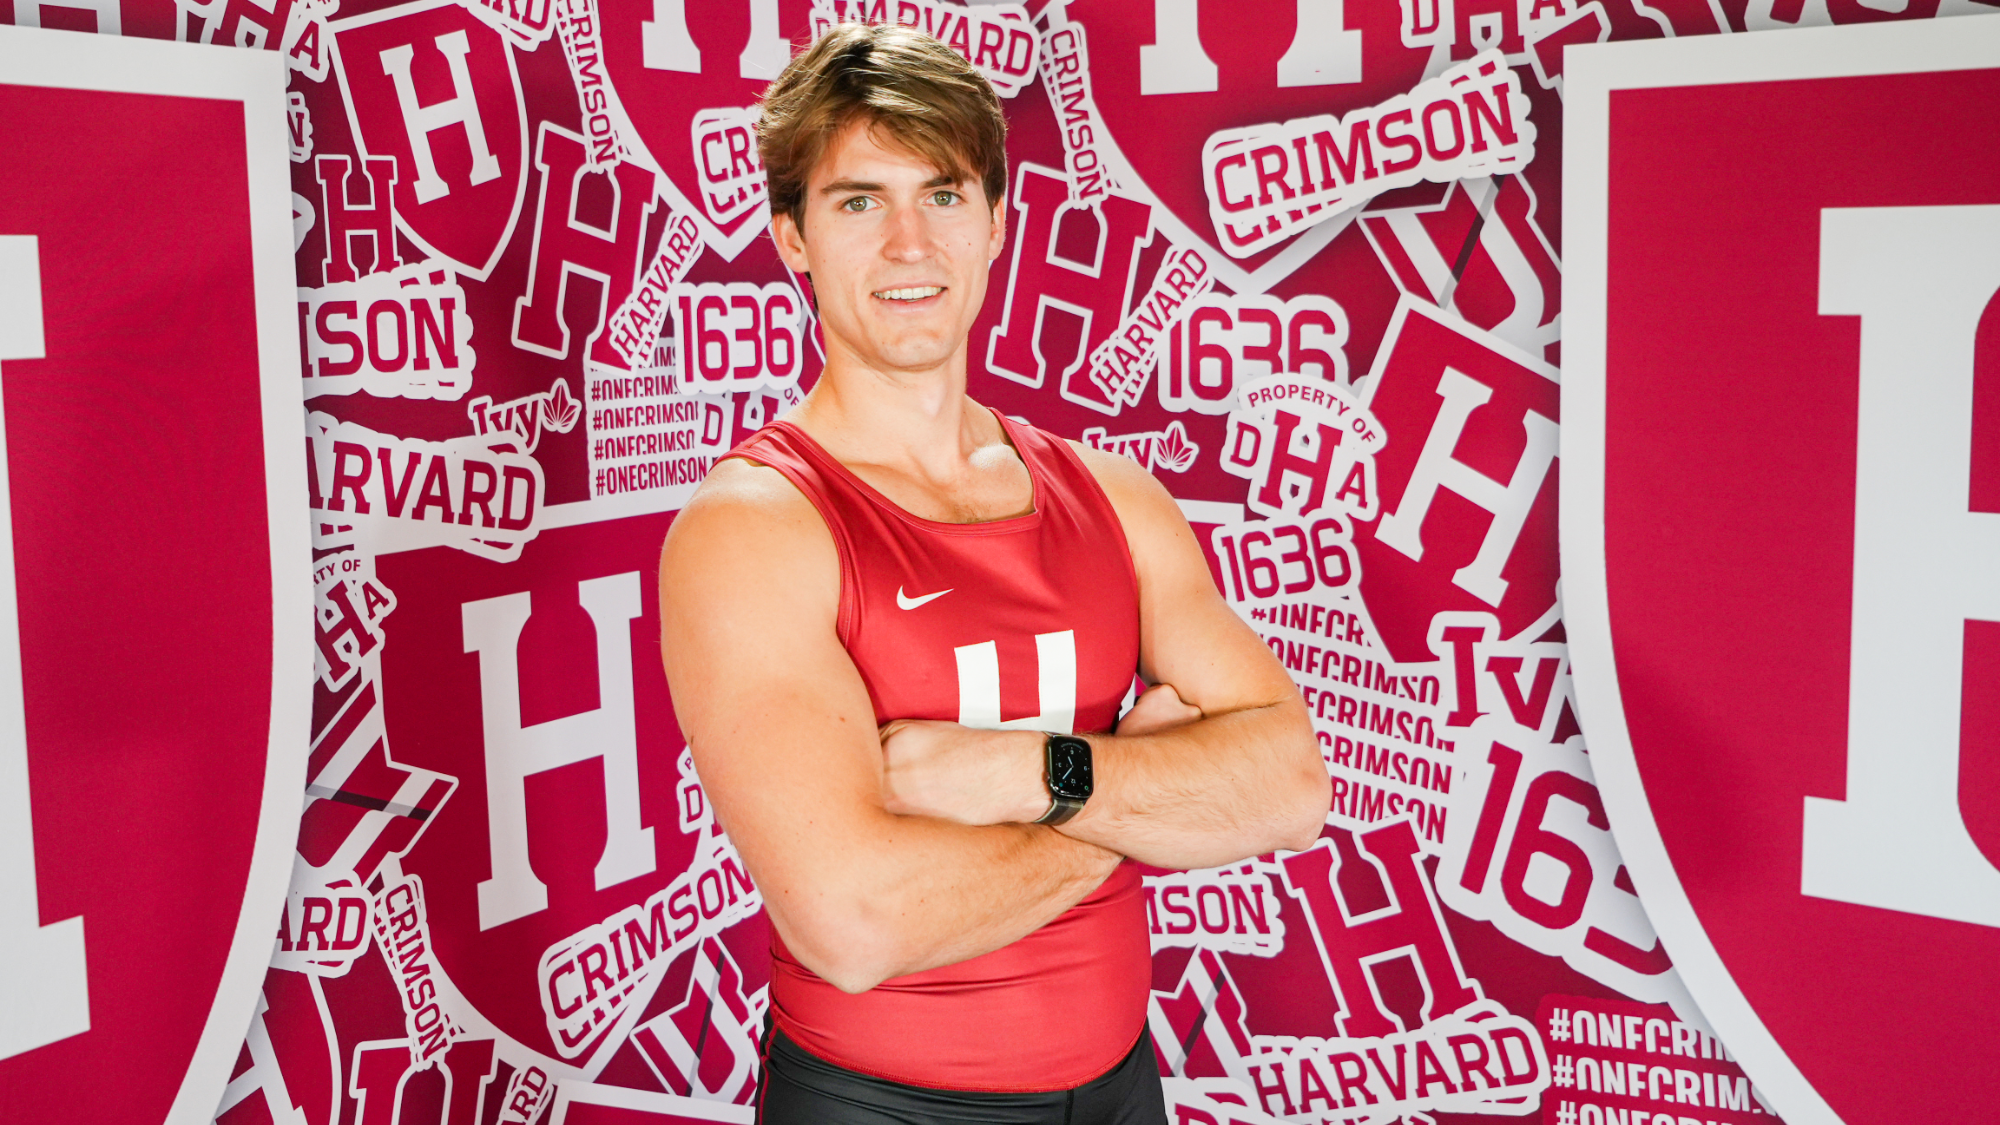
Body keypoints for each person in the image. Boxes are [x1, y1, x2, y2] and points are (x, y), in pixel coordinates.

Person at [657, 22, 1331, 1125]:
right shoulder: (754, 529)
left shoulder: (1114, 499)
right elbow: (855, 923)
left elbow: (1291, 789)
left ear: (995, 224)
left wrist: (1034, 772)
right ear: (792, 237)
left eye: (944, 194)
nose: (910, 244)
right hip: (880, 1105)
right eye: (858, 202)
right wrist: (1138, 795)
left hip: (1122, 1090)